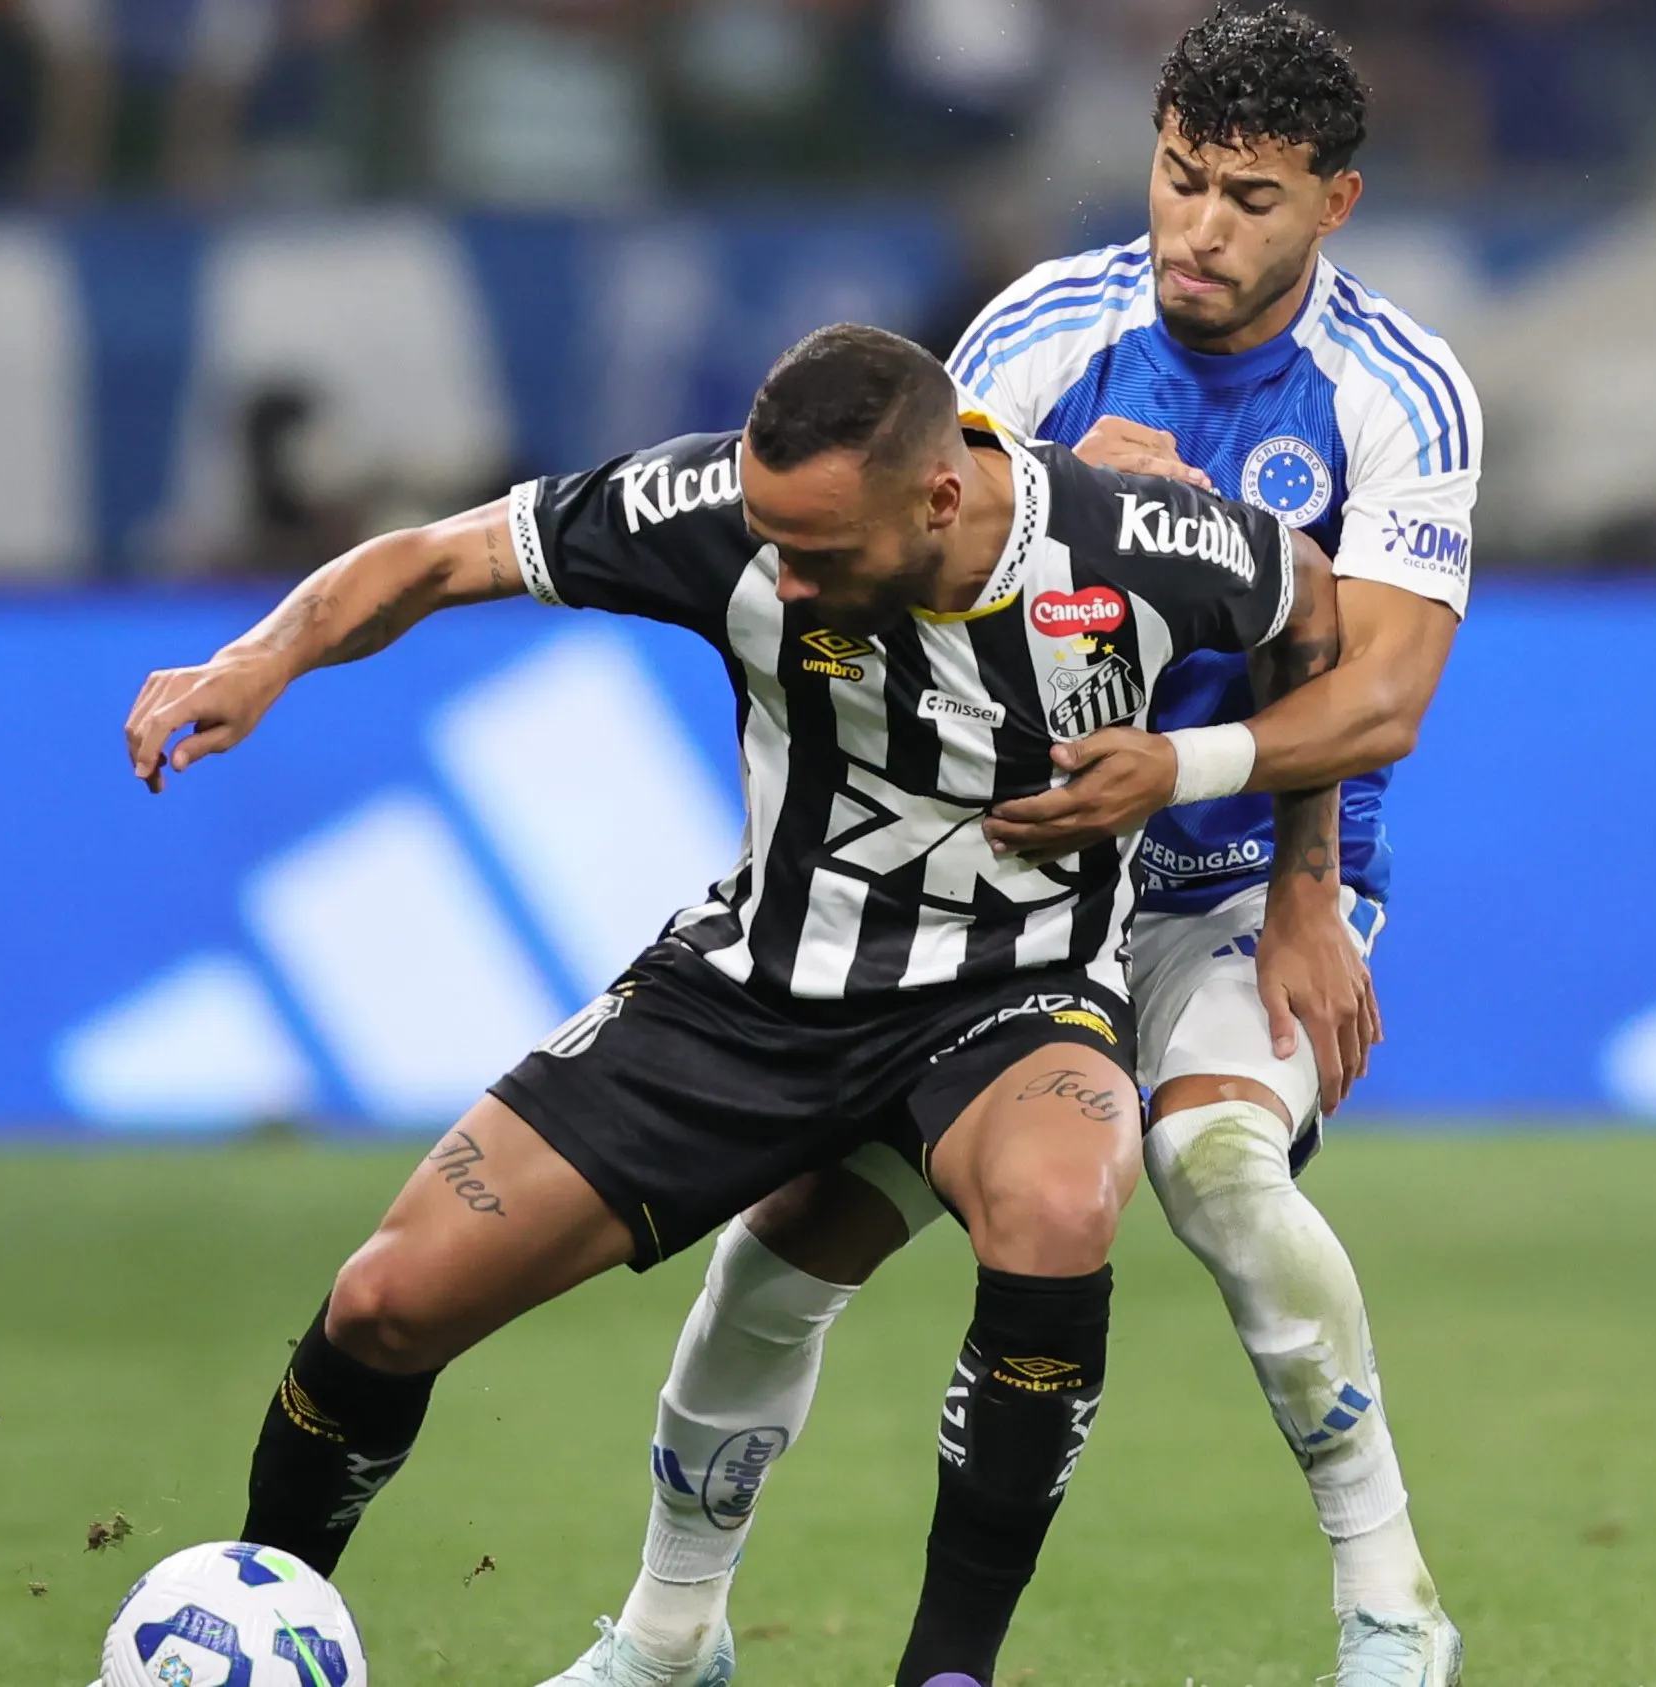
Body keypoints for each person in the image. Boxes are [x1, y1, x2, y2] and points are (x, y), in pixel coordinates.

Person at [119, 322, 1357, 1687]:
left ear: (939, 498)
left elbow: (1305, 599)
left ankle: (947, 1672)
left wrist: (1300, 873)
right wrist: (264, 656)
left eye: (821, 552)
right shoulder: (717, 511)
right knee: (384, 1302)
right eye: (773, 543)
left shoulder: (1131, 539)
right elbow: (432, 557)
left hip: (1015, 996)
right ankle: (257, 1619)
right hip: (756, 991)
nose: (787, 577)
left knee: (1062, 1206)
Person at [539, 9, 1475, 1687]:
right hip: (1025, 883)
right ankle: (668, 1635)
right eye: (1179, 177)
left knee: (1217, 1166)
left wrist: (1300, 883)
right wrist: (1064, 498)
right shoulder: (1042, 333)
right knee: (782, 1250)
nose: (1199, 226)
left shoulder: (1398, 391)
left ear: (1335, 204)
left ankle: (1391, 1600)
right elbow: (906, 593)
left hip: (1238, 873)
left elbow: (1383, 689)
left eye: (1250, 198)